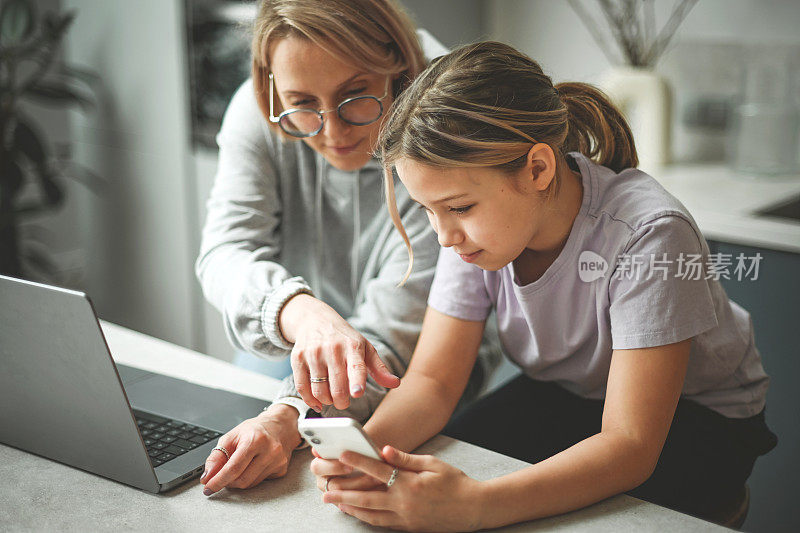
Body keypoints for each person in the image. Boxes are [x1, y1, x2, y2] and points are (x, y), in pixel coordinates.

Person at [310, 41, 778, 531]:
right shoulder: (472, 237)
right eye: (427, 211)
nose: (443, 236)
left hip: (702, 423)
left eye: (458, 208)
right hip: (573, 393)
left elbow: (631, 445)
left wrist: (475, 505)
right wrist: (365, 454)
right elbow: (433, 382)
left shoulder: (650, 235)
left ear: (538, 168)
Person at [194, 1, 498, 495]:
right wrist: (304, 314)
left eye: (354, 96)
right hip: (303, 339)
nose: (333, 133)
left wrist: (291, 413)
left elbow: (395, 335)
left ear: (397, 66)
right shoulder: (260, 106)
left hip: (424, 351)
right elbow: (226, 251)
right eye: (303, 103)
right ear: (272, 85)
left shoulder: (445, 117)